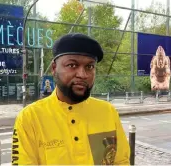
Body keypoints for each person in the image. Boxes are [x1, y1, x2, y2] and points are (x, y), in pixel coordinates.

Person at [11, 33, 130, 165]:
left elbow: (121, 161)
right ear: (54, 68)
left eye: (89, 67)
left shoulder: (108, 112)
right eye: (72, 65)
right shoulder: (30, 118)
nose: (82, 74)